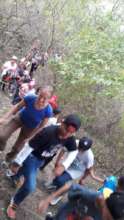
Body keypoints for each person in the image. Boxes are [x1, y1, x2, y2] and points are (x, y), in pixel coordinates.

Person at [6, 114, 81, 219]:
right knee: (30, 186)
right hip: (31, 157)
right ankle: (15, 202)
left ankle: (14, 175)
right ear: (62, 123)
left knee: (25, 171)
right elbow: (29, 147)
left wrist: (64, 166)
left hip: (41, 159)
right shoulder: (48, 132)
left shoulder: (70, 138)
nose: (67, 134)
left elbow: (73, 151)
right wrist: (17, 162)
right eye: (66, 129)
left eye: (71, 133)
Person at [0, 86, 53, 162]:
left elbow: (41, 126)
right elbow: (17, 107)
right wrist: (4, 118)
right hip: (20, 118)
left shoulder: (48, 110)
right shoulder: (30, 98)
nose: (41, 99)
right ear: (38, 93)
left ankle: (8, 159)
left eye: (45, 98)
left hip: (30, 128)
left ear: (49, 99)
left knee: (17, 148)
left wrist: (31, 137)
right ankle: (1, 148)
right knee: (2, 135)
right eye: (40, 96)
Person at [45, 137, 104, 204]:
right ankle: (55, 184)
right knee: (57, 175)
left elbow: (89, 169)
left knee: (61, 180)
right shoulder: (75, 142)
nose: (80, 150)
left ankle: (59, 194)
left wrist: (82, 179)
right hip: (69, 162)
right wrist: (57, 162)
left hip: (77, 169)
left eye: (83, 149)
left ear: (87, 149)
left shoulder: (89, 156)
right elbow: (64, 150)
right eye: (79, 147)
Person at [38, 176, 124, 220]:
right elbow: (70, 185)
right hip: (69, 211)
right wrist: (47, 200)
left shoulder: (115, 210)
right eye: (108, 217)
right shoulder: (94, 196)